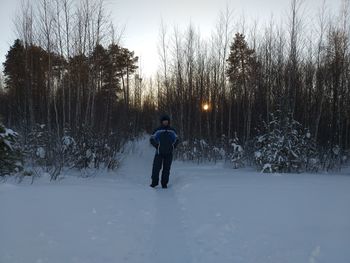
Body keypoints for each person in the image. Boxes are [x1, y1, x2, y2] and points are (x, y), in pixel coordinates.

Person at [149, 114, 179, 188]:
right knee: (156, 168)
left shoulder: (172, 130)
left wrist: (173, 146)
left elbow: (177, 139)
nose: (165, 122)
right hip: (159, 153)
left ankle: (164, 183)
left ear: (168, 122)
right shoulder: (158, 130)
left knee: (166, 169)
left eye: (167, 121)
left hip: (169, 153)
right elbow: (152, 139)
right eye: (164, 121)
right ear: (161, 122)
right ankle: (154, 183)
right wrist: (156, 145)